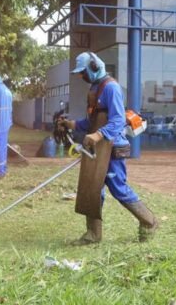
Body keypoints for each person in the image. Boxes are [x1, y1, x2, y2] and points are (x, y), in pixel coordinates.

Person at [58, 51, 157, 244]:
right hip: (99, 147)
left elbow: (118, 120)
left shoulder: (111, 87)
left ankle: (149, 221)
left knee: (118, 188)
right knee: (92, 188)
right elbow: (91, 121)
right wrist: (71, 125)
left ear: (94, 67)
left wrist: (98, 135)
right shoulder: (95, 88)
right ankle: (93, 234)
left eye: (83, 71)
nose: (81, 75)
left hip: (113, 148)